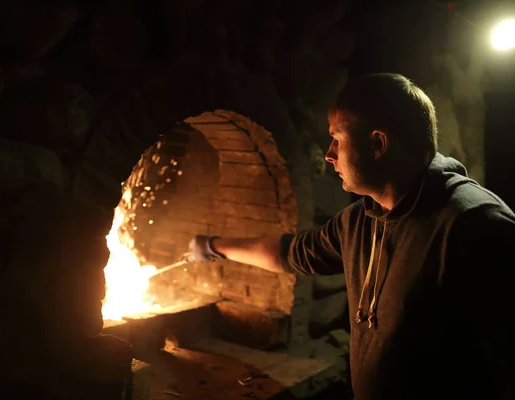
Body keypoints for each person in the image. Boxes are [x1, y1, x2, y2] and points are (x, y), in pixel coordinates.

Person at [187, 73, 515, 400]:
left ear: (378, 143)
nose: (329, 154)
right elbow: (292, 254)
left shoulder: (475, 226)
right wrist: (213, 246)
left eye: (337, 139)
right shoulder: (360, 219)